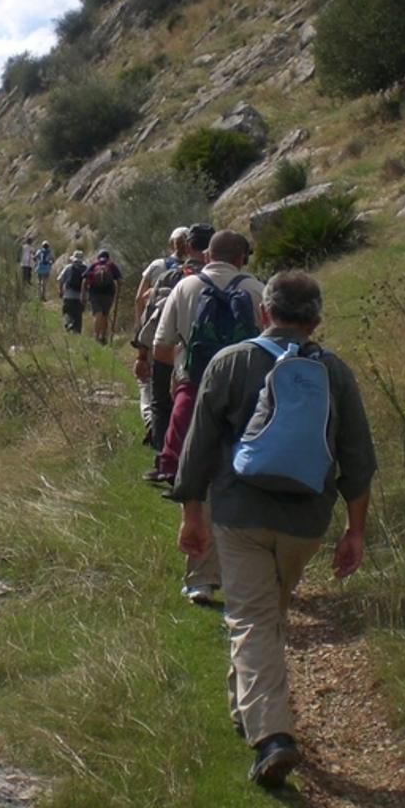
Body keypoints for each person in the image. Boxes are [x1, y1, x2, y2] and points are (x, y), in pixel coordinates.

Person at [173, 270, 376, 789]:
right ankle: (250, 711)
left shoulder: (231, 361)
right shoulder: (335, 373)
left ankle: (273, 739)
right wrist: (355, 530)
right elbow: (357, 458)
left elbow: (197, 446)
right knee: (265, 616)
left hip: (239, 515)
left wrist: (191, 512)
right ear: (316, 321)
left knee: (252, 619)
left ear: (265, 312)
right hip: (306, 520)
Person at [153, 230, 264, 605]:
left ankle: (201, 577)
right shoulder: (257, 290)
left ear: (205, 254)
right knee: (240, 480)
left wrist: (184, 369)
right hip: (247, 397)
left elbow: (161, 347)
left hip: (195, 389)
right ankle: (245, 572)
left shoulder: (185, 288)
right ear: (242, 258)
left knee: (197, 483)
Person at [133, 227, 193, 478]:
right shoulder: (201, 273)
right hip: (189, 345)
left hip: (160, 335)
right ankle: (184, 450)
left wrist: (139, 336)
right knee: (184, 397)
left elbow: (139, 298)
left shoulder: (159, 267)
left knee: (155, 395)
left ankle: (161, 451)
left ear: (172, 244)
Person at [82, 249, 121, 344]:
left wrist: (83, 294)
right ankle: (102, 336)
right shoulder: (111, 265)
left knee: (97, 314)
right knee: (104, 315)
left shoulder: (94, 265)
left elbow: (84, 278)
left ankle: (96, 336)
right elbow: (120, 280)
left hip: (94, 293)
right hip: (108, 294)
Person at [58, 249, 88, 334]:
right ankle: (77, 332)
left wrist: (60, 290)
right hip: (81, 296)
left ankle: (68, 324)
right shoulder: (86, 268)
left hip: (68, 295)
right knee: (78, 315)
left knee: (67, 311)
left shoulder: (68, 267)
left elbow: (60, 280)